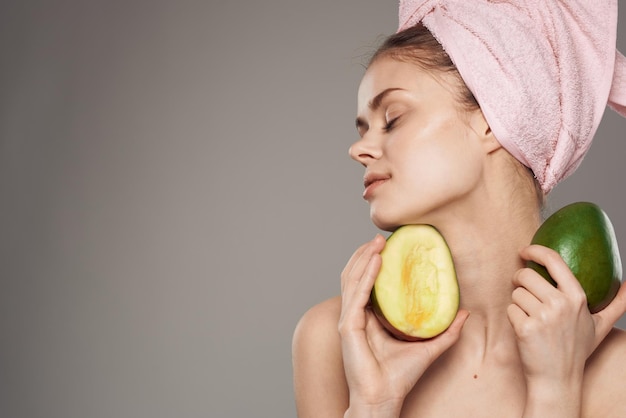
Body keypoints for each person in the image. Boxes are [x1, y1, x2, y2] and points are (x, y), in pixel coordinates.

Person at [292, 1, 626, 417]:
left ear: (492, 117)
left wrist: (554, 390)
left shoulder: (619, 375)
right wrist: (373, 405)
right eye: (362, 129)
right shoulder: (335, 340)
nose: (358, 149)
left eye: (392, 119)